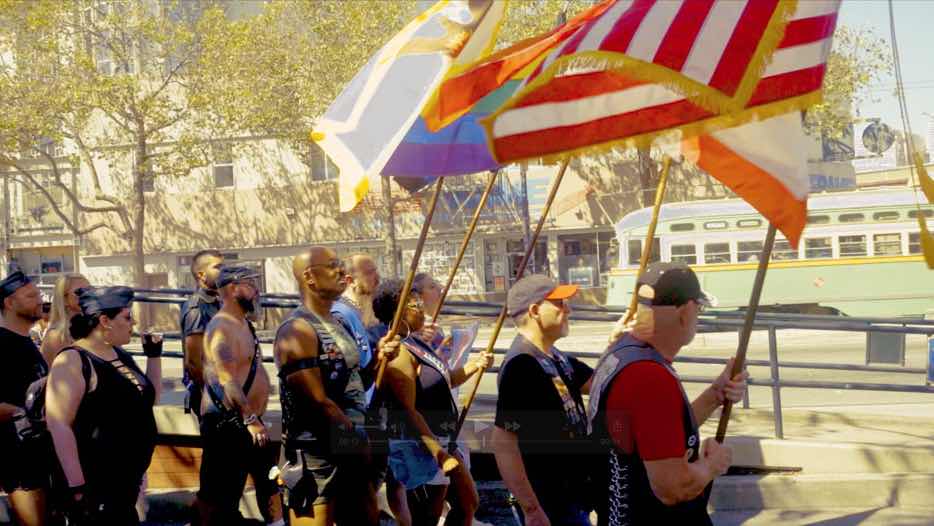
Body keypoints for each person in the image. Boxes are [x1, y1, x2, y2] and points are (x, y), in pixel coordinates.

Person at [587, 262, 747, 525]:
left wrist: (715, 395)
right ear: (685, 312)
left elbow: (658, 433)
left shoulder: (622, 351)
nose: (698, 317)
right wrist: (712, 465)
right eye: (699, 309)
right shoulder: (649, 377)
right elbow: (673, 489)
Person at [273, 247, 399, 526]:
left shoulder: (337, 322)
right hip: (317, 455)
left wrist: (379, 359)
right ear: (309, 277)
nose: (342, 271)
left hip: (352, 447)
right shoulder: (298, 330)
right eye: (332, 266)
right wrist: (356, 440)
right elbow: (316, 402)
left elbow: (353, 384)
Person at [376, 278, 492, 526]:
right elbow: (408, 411)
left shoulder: (416, 343)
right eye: (415, 304)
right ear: (399, 312)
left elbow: (446, 379)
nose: (422, 309)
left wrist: (476, 365)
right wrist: (439, 455)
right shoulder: (399, 354)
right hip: (421, 447)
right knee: (427, 516)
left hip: (443, 439)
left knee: (468, 503)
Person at [45, 286, 162, 525]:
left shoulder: (120, 355)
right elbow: (58, 424)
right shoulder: (73, 359)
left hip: (127, 483)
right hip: (96, 486)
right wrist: (77, 487)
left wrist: (153, 356)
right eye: (127, 317)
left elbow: (149, 401)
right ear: (105, 321)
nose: (133, 322)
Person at [492, 274, 594, 526]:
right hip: (549, 503)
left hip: (570, 497)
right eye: (559, 303)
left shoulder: (552, 355)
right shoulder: (522, 365)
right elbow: (504, 442)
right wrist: (532, 509)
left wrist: (619, 342)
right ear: (535, 311)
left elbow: (598, 382)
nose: (568, 310)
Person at [194, 266, 282, 526]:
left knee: (269, 482)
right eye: (250, 284)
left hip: (251, 423)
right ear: (233, 289)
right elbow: (227, 379)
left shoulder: (243, 323)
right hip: (229, 423)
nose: (257, 290)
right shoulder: (221, 327)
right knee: (220, 498)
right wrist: (250, 418)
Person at [0, 271, 52, 526]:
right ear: (9, 303)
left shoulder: (27, 341)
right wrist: (26, 415)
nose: (40, 300)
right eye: (31, 296)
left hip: (40, 453)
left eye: (39, 294)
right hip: (19, 459)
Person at [179, 249, 224, 418]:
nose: (223, 271)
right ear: (201, 275)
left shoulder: (218, 302)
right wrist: (214, 395)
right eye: (218, 267)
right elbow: (194, 363)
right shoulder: (196, 308)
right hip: (213, 397)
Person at [40, 274, 91, 366]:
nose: (87, 295)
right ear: (64, 299)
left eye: (90, 290)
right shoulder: (57, 336)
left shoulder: (90, 327)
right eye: (80, 292)